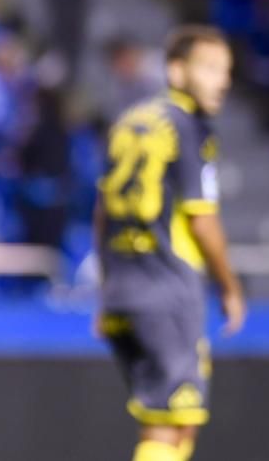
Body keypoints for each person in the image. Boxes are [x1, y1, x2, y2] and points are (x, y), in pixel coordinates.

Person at [93, 26, 246, 461]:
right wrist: (230, 288)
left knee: (175, 422)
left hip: (124, 291)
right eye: (211, 68)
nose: (224, 80)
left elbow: (102, 211)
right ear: (176, 71)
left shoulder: (129, 120)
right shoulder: (189, 126)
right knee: (168, 426)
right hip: (168, 290)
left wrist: (106, 293)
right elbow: (203, 221)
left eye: (227, 70)